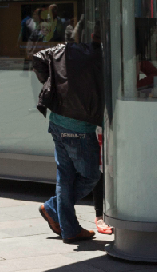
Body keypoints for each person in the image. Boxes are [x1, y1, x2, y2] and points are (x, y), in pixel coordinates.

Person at [31, 23, 104, 244]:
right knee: (90, 176)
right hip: (78, 127)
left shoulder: (60, 50)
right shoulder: (96, 55)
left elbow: (37, 58)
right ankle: (54, 208)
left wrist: (51, 85)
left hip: (58, 121)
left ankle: (70, 228)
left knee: (66, 176)